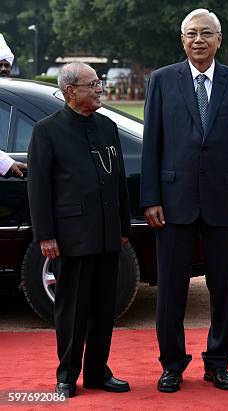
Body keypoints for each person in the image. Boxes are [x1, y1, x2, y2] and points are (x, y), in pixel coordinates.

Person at [140, 8, 228, 393]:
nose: (199, 40)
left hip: (224, 202)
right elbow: (152, 144)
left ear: (219, 39)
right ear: (182, 39)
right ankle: (172, 364)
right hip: (173, 202)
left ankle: (219, 363)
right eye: (191, 34)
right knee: (171, 289)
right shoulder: (161, 80)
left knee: (223, 287)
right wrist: (151, 198)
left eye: (206, 33)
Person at [27, 62, 131, 398]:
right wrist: (45, 235)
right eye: (93, 84)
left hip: (107, 233)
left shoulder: (107, 126)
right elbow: (38, 187)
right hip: (71, 236)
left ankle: (98, 372)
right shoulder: (47, 130)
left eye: (99, 83)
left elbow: (119, 182)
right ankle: (67, 375)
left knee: (104, 308)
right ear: (71, 92)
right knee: (71, 310)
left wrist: (123, 225)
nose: (100, 89)